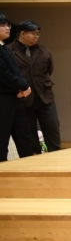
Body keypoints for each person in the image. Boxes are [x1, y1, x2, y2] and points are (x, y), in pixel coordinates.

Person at [9, 20, 61, 153]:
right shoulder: (9, 51)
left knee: (52, 130)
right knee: (29, 134)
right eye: (34, 34)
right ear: (23, 34)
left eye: (38, 34)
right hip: (23, 99)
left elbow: (49, 70)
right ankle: (36, 157)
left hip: (45, 97)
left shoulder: (44, 50)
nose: (37, 36)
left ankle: (57, 157)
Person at [0, 14, 36, 162]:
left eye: (8, 25)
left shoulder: (5, 48)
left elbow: (16, 72)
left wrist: (25, 87)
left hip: (15, 98)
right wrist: (23, 86)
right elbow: (4, 74)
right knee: (2, 138)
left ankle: (29, 168)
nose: (7, 28)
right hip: (3, 99)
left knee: (24, 137)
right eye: (3, 25)